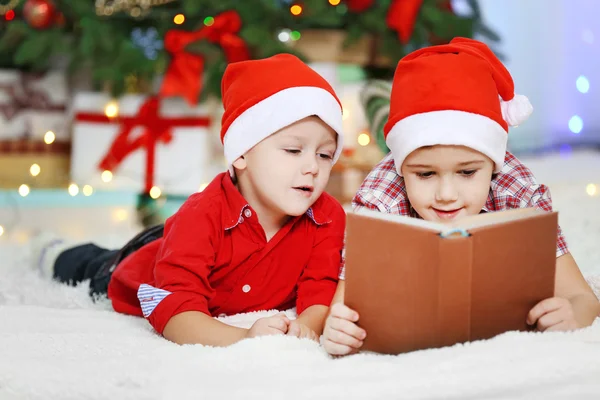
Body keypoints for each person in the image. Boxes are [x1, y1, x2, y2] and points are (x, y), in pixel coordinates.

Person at [32, 54, 347, 347]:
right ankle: (52, 248)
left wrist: (307, 326)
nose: (312, 167)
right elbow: (175, 314)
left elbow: (320, 287)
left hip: (184, 246)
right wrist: (245, 337)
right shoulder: (201, 215)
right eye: (293, 150)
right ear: (241, 154)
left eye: (324, 155)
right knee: (92, 264)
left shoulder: (328, 216)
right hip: (137, 268)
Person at [321, 38, 600, 356]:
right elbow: (344, 306)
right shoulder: (379, 198)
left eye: (467, 173)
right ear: (403, 168)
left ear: (493, 165)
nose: (446, 195)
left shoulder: (517, 190)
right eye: (425, 174)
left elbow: (583, 298)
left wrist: (573, 316)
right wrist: (338, 326)